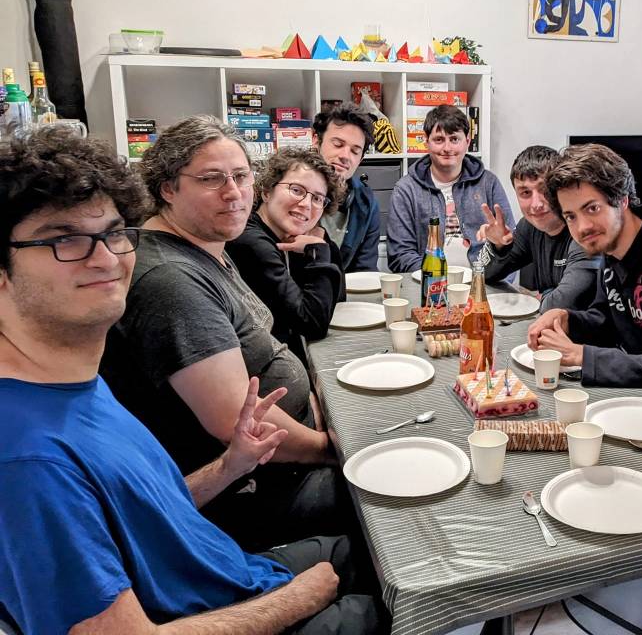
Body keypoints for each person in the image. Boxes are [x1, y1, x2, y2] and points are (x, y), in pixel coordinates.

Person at [0, 128, 379, 634]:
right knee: (405, 590)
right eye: (63, 239)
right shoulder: (28, 460)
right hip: (219, 604)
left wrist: (229, 464)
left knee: (388, 544)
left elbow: (143, 511)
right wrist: (297, 598)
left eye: (114, 233)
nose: (107, 259)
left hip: (225, 570)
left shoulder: (72, 385)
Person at [100, 115, 343, 551]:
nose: (233, 193)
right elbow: (237, 422)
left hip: (283, 461)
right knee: (395, 499)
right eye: (211, 179)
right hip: (252, 494)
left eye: (241, 176)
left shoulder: (205, 247)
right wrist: (333, 448)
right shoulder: (172, 280)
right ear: (167, 188)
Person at [527, 144, 642, 391]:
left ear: (622, 199)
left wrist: (583, 356)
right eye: (571, 216)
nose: (583, 227)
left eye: (592, 208)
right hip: (631, 391)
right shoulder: (609, 246)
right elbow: (606, 322)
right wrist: (568, 319)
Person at [227, 147, 345, 365]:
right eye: (296, 190)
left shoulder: (286, 236)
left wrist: (323, 243)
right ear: (267, 191)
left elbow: (337, 300)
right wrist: (319, 252)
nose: (306, 204)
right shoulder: (252, 243)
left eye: (318, 198)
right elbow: (312, 324)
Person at [387, 104, 513, 272]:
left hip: (483, 281)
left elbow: (511, 245)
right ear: (426, 142)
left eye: (454, 139)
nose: (447, 148)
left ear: (467, 141)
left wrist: (499, 247)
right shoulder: (406, 190)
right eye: (439, 139)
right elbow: (400, 256)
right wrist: (438, 277)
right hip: (428, 282)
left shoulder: (489, 183)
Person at [478, 145, 599, 312]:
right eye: (525, 193)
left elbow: (566, 302)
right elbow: (485, 275)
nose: (536, 204)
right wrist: (498, 246)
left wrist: (543, 296)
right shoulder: (529, 226)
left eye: (545, 190)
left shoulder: (583, 229)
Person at [313, 103, 381, 273]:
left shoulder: (367, 203)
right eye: (337, 144)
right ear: (316, 141)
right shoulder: (291, 192)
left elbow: (366, 271)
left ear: (361, 159)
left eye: (355, 151)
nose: (345, 156)